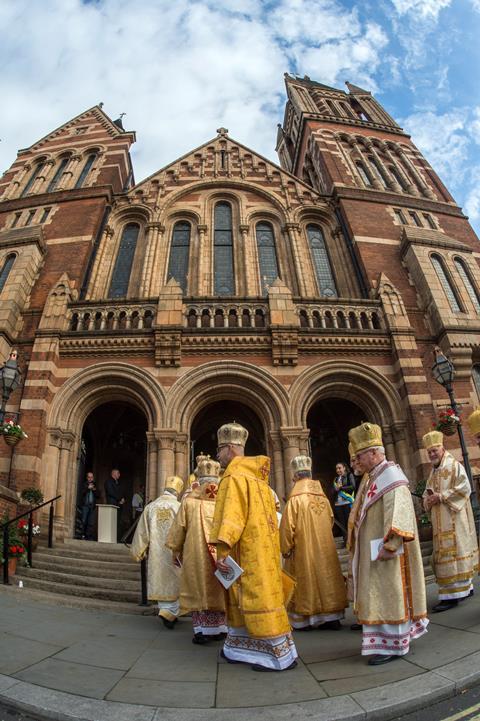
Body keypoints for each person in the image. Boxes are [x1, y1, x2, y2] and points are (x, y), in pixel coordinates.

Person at [211, 421, 298, 672]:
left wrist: (222, 550)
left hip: (245, 552)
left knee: (252, 598)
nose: (217, 456)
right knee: (263, 597)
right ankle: (241, 648)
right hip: (265, 551)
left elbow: (231, 516)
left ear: (229, 448)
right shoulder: (259, 478)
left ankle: (274, 657)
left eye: (219, 450)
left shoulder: (233, 477)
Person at [348, 422, 428, 665]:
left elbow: (399, 512)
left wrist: (391, 544)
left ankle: (395, 646)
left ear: (374, 452)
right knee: (379, 595)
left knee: (391, 593)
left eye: (360, 455)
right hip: (374, 551)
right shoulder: (373, 477)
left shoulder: (390, 475)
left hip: (386, 551)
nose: (358, 460)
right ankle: (383, 642)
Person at [280, 455, 347, 630]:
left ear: (295, 476)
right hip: (325, 548)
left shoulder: (295, 500)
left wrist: (286, 549)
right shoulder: (323, 498)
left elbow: (287, 529)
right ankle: (331, 618)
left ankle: (306, 620)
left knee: (306, 580)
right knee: (327, 577)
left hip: (303, 550)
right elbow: (331, 521)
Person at [166, 456, 227, 644]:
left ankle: (202, 631)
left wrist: (176, 550)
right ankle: (221, 628)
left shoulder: (189, 502)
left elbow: (178, 530)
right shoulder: (226, 502)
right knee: (220, 588)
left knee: (198, 586)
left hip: (196, 555)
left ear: (199, 480)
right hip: (222, 556)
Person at [422, 430, 478, 612]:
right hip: (440, 521)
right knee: (445, 555)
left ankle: (451, 596)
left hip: (454, 520)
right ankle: (464, 589)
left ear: (442, 448)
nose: (432, 454)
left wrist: (441, 496)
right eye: (429, 452)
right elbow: (427, 492)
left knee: (455, 553)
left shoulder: (454, 466)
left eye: (434, 450)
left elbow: (465, 488)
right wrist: (428, 500)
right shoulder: (433, 472)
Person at [130, 476, 184, 629]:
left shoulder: (151, 507)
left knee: (160, 578)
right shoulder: (179, 506)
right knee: (176, 580)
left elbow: (142, 532)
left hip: (157, 553)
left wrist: (139, 550)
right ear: (178, 491)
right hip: (176, 553)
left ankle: (166, 611)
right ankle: (170, 613)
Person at [332, 462, 355, 542]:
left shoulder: (349, 476)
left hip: (347, 503)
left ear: (344, 468)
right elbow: (332, 492)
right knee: (342, 523)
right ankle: (346, 540)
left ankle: (352, 539)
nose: (338, 470)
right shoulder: (336, 479)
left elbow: (353, 487)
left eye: (339, 468)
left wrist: (341, 488)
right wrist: (335, 490)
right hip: (338, 504)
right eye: (337, 469)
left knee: (349, 522)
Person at [80, 471, 99, 540]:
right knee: (84, 521)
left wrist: (94, 490)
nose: (90, 479)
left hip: (92, 506)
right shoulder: (84, 484)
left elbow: (98, 495)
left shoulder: (95, 485)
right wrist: (88, 488)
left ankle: (88, 536)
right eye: (89, 477)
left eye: (91, 477)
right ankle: (82, 535)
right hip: (85, 505)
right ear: (87, 478)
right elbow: (82, 493)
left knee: (90, 522)